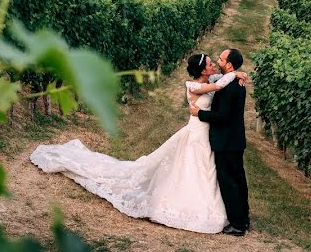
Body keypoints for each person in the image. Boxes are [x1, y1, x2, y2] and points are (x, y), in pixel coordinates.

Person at [30, 53, 247, 234]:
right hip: (197, 131)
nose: (213, 64)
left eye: (216, 61)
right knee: (194, 167)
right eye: (210, 63)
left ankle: (230, 213)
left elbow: (219, 80)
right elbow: (219, 86)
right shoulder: (194, 85)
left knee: (210, 170)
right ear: (202, 71)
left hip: (207, 133)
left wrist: (235, 73)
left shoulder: (211, 79)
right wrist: (233, 74)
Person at [190, 48, 250, 236]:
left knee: (229, 181)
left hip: (226, 141)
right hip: (235, 140)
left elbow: (222, 116)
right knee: (239, 180)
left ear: (229, 64)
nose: (218, 61)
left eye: (221, 59)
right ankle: (244, 218)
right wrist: (237, 73)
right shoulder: (235, 83)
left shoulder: (228, 88)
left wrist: (199, 113)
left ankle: (238, 225)